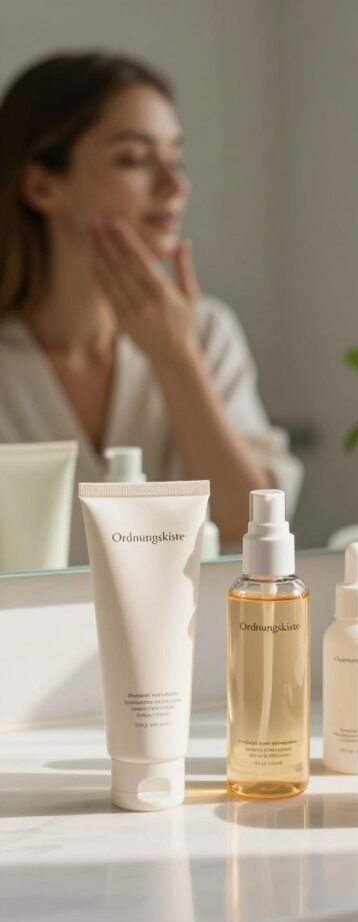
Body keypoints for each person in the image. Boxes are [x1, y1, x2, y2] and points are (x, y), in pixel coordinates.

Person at [0, 52, 302, 563]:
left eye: (176, 159)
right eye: (135, 160)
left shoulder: (205, 332)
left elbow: (249, 527)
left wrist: (175, 357)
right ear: (41, 185)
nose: (175, 185)